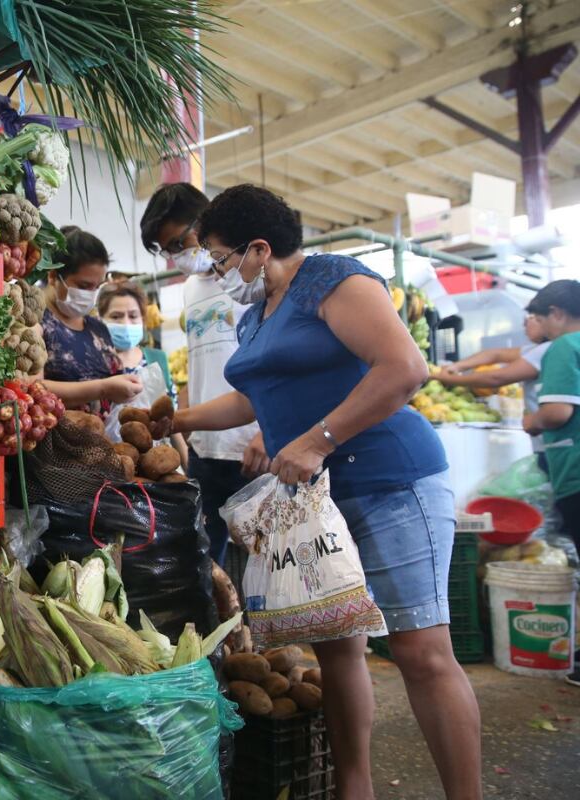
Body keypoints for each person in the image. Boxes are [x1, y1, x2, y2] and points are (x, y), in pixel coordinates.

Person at [173, 184, 481, 800]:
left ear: (259, 249)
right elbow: (252, 396)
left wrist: (317, 440)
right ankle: (353, 789)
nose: (218, 272)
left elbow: (405, 368)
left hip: (392, 481)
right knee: (339, 652)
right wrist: (178, 421)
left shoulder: (335, 280)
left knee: (421, 651)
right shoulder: (256, 316)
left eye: (221, 257)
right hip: (319, 505)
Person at [140, 182, 265, 565]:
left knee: (272, 562)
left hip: (256, 448)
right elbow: (202, 365)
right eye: (167, 251)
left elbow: (281, 364)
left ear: (206, 220)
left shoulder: (254, 277)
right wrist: (187, 435)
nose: (177, 256)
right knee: (205, 565)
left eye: (179, 242)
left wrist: (269, 431)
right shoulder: (191, 290)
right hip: (206, 451)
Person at [40, 226, 142, 412]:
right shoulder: (35, 326)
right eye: (84, 285)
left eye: (97, 287)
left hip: (104, 436)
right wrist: (102, 389)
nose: (91, 294)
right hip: (57, 438)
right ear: (54, 276)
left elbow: (115, 379)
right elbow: (32, 389)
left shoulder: (98, 330)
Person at [437, 312, 551, 464]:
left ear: (552, 316)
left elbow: (496, 378)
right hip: (548, 444)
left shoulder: (547, 350)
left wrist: (450, 379)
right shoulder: (538, 349)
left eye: (531, 318)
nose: (525, 324)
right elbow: (495, 355)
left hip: (553, 443)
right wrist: (457, 366)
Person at [98, 281, 189, 471]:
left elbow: (170, 420)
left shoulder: (157, 358)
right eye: (116, 316)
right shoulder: (94, 363)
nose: (125, 323)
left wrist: (187, 464)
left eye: (133, 316)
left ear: (143, 320)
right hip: (110, 463)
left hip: (157, 462)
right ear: (101, 319)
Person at [522, 280, 580, 556]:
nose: (542, 329)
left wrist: (531, 421)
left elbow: (557, 412)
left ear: (557, 313)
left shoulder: (564, 346)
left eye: (540, 320)